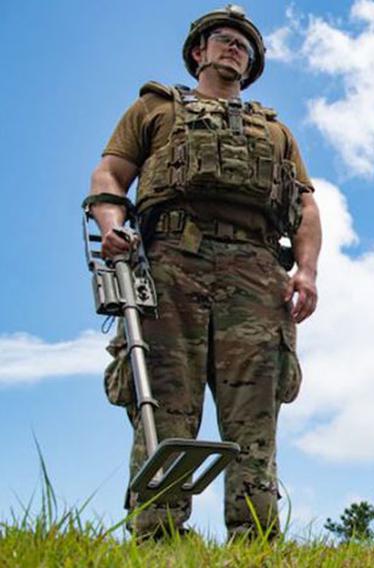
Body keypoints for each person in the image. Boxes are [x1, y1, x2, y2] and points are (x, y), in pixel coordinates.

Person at [83, 4, 321, 540]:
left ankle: (255, 541)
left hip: (257, 273)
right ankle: (159, 538)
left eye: (244, 43)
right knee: (164, 403)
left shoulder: (276, 132)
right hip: (170, 264)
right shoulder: (154, 109)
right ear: (199, 52)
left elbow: (306, 207)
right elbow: (111, 173)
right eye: (223, 38)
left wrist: (306, 272)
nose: (235, 46)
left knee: (255, 414)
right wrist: (110, 225)